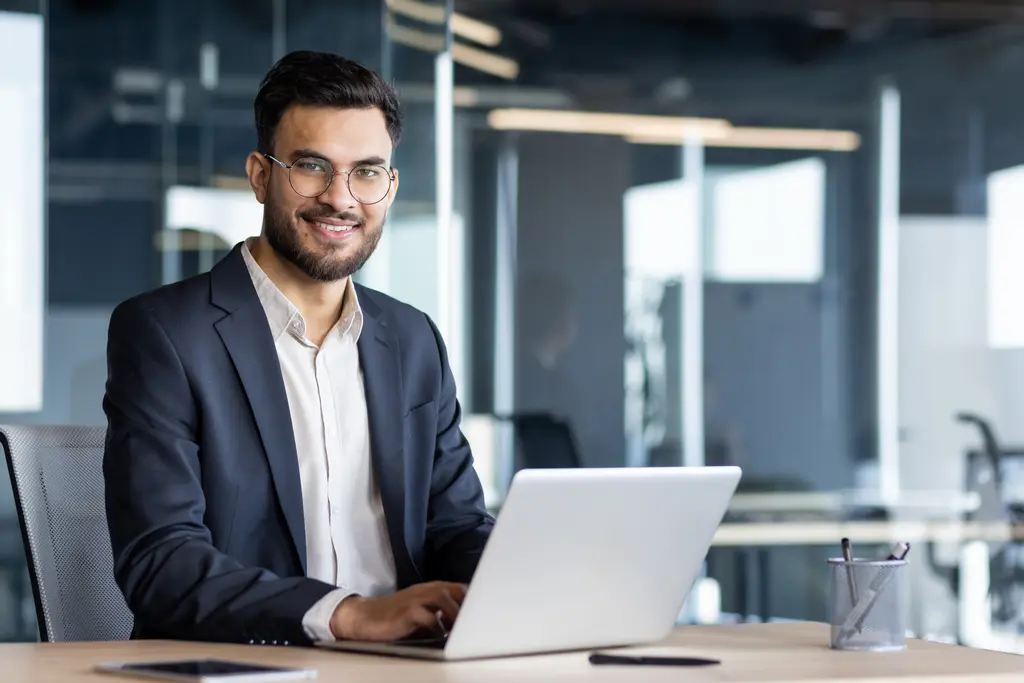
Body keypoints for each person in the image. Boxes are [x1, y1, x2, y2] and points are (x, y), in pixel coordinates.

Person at [101, 50, 494, 647]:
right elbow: (163, 562)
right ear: (260, 176)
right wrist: (349, 615)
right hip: (250, 664)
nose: (340, 198)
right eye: (312, 167)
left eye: (366, 171)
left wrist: (532, 582)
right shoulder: (165, 334)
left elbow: (456, 525)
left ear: (389, 184)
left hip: (408, 663)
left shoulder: (413, 341)